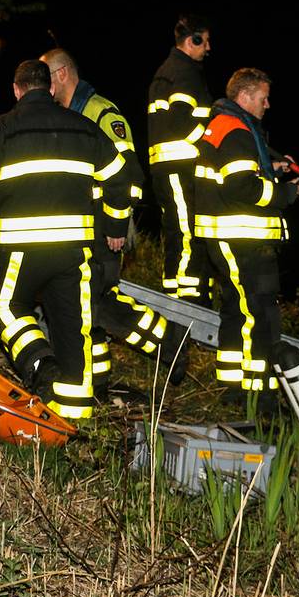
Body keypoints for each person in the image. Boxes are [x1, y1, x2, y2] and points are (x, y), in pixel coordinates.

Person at [0, 60, 132, 421]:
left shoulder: (3, 129)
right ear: (50, 88)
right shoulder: (85, 129)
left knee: (4, 306)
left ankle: (40, 365)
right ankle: (72, 424)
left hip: (21, 250)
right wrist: (116, 227)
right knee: (75, 332)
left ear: (16, 90)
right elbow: (121, 181)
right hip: (74, 254)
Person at [40, 47, 189, 387]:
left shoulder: (100, 112)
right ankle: (100, 379)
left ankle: (169, 344)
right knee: (90, 302)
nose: (44, 88)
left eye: (46, 78)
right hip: (79, 227)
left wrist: (117, 224)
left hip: (104, 225)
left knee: (96, 300)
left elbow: (129, 175)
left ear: (62, 74)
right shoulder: (68, 112)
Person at [193, 68, 299, 393]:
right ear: (244, 96)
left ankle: (232, 389)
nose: (267, 104)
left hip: (232, 237)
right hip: (239, 240)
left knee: (236, 312)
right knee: (255, 315)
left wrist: (272, 168)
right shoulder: (236, 131)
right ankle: (257, 395)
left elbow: (239, 173)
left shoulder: (227, 127)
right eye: (263, 98)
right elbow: (241, 188)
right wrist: (287, 193)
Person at [147, 14, 214, 304]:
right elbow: (180, 124)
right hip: (180, 164)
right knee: (187, 231)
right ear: (192, 40)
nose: (209, 48)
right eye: (205, 41)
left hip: (169, 166)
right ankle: (189, 301)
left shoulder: (169, 71)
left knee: (176, 230)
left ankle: (174, 296)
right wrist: (211, 132)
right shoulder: (184, 73)